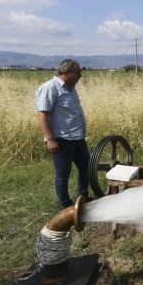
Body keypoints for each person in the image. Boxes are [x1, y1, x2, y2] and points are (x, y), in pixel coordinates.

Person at [35, 59, 91, 210]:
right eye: (78, 72)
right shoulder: (50, 88)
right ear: (67, 73)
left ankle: (83, 197)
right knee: (63, 174)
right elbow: (42, 116)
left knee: (87, 167)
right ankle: (65, 206)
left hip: (78, 137)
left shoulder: (71, 87)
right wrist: (50, 139)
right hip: (61, 139)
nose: (81, 75)